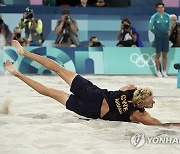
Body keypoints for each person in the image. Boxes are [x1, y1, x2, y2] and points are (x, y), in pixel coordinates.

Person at [5, 40, 180, 127]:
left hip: (92, 99)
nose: (154, 102)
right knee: (55, 81)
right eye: (152, 100)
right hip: (93, 102)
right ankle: (21, 63)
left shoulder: (134, 100)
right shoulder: (137, 111)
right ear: (143, 100)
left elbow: (163, 125)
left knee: (55, 82)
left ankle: (20, 63)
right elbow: (162, 125)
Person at [149, 2, 171, 78]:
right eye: (159, 7)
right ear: (157, 9)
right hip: (158, 37)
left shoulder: (167, 16)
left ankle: (164, 71)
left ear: (164, 8)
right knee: (158, 54)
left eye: (162, 7)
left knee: (165, 54)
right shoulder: (154, 17)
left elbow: (169, 27)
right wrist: (157, 33)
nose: (161, 9)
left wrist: (168, 34)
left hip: (165, 37)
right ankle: (158, 71)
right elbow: (151, 28)